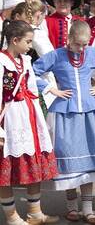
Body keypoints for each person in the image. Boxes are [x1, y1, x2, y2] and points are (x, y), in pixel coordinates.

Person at [33, 20, 95, 224]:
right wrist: (50, 89)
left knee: (89, 161)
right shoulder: (56, 55)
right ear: (69, 39)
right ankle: (72, 206)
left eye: (84, 44)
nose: (81, 48)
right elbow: (32, 72)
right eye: (77, 44)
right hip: (66, 112)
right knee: (69, 159)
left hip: (90, 112)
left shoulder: (92, 53)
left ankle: (88, 209)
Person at [0, 20, 59, 225]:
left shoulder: (25, 60)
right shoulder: (1, 62)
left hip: (29, 116)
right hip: (10, 119)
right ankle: (12, 217)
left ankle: (35, 213)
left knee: (34, 164)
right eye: (28, 41)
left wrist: (40, 116)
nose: (30, 46)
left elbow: (32, 88)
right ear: (15, 40)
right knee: (5, 169)